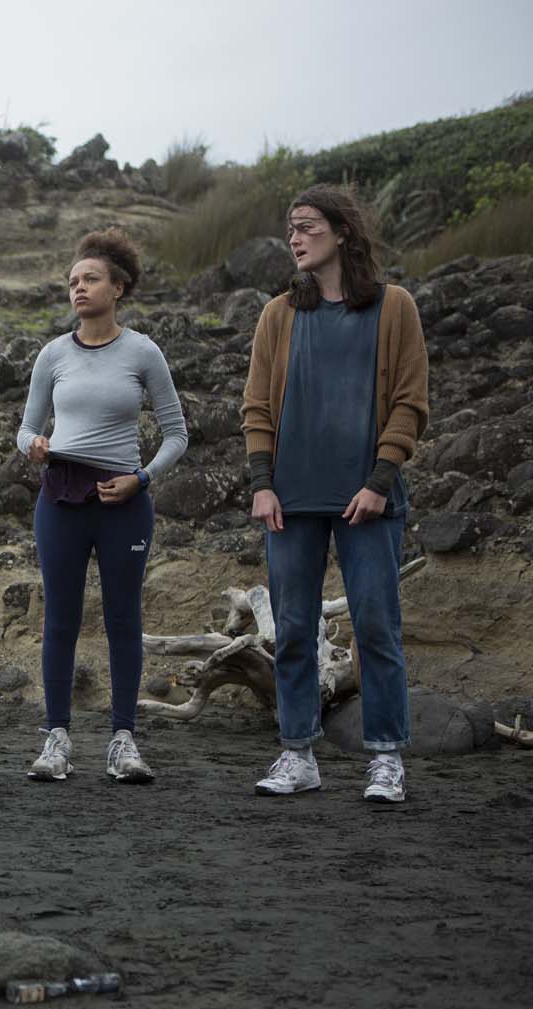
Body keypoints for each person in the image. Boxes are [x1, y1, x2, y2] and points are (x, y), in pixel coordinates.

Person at [243, 185, 428, 803]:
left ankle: (386, 758)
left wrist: (380, 480)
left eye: (307, 226)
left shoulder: (394, 307)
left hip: (368, 500)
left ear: (343, 231)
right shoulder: (278, 315)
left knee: (376, 626)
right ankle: (298, 753)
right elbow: (256, 408)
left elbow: (410, 403)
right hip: (289, 500)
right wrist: (262, 485)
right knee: (293, 630)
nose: (294, 238)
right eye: (290, 229)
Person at [16, 228, 188, 784]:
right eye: (73, 281)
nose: (79, 288)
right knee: (61, 619)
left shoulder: (143, 352)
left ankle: (123, 741)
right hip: (61, 497)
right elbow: (25, 428)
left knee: (122, 619)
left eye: (90, 279)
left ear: (118, 287)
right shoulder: (53, 354)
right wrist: (33, 445)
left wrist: (141, 478)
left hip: (123, 501)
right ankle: (56, 739)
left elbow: (177, 434)